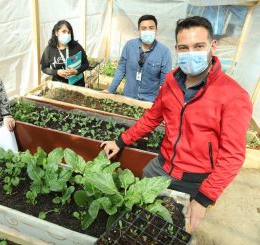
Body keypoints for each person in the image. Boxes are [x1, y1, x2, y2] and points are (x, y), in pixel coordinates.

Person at [101, 16, 252, 233]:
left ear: (213, 46)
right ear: (176, 49)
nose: (191, 53)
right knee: (143, 215)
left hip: (195, 178)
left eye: (198, 46)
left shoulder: (233, 95)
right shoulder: (171, 80)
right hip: (162, 166)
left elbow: (233, 156)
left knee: (175, 229)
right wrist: (120, 141)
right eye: (184, 47)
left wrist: (205, 196)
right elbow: (152, 117)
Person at [103, 14, 172, 102]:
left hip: (149, 101)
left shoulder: (164, 52)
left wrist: (160, 102)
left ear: (156, 30)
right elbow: (121, 69)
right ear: (139, 30)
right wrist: (110, 90)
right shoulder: (129, 46)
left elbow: (165, 82)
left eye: (151, 28)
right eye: (143, 28)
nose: (147, 31)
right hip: (128, 97)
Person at [41, 20, 89, 87]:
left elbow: (86, 64)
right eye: (63, 31)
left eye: (69, 32)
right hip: (58, 86)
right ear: (56, 33)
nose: (67, 34)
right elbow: (44, 68)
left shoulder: (76, 46)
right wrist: (57, 72)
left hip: (77, 84)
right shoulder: (49, 49)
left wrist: (76, 71)